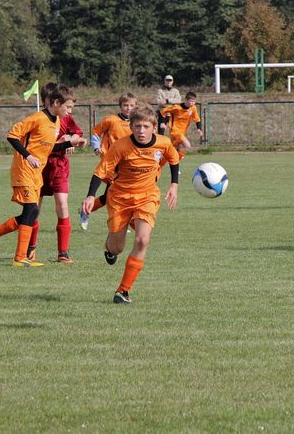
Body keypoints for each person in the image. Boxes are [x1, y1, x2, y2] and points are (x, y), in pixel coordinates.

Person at [0, 84, 84, 267]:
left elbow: (49, 148)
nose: (70, 111)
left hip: (36, 173)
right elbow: (12, 135)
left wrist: (70, 143)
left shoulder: (56, 122)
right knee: (31, 210)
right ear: (56, 103)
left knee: (31, 213)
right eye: (68, 107)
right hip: (24, 169)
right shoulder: (37, 118)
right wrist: (28, 156)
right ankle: (19, 257)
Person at [81, 104, 180, 304]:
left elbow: (174, 159)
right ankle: (109, 247)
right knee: (117, 248)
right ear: (131, 127)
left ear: (154, 127)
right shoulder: (121, 146)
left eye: (145, 127)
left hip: (147, 197)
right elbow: (101, 171)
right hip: (119, 198)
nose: (141, 131)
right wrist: (91, 196)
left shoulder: (163, 143)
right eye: (137, 126)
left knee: (142, 240)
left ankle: (123, 291)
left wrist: (174, 185)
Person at [27, 82, 86, 264]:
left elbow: (77, 133)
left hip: (59, 166)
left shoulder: (65, 117)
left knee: (62, 204)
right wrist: (62, 142)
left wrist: (72, 139)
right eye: (47, 100)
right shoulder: (38, 119)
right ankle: (30, 248)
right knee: (34, 208)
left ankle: (63, 253)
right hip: (39, 167)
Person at [79, 92, 137, 230]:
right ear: (120, 106)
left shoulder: (136, 123)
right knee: (116, 195)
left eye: (131, 105)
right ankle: (120, 222)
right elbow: (95, 132)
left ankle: (86, 209)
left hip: (126, 164)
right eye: (125, 105)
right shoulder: (111, 120)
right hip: (110, 161)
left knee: (109, 196)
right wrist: (96, 147)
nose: (128, 108)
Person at [160, 91, 203, 161]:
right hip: (174, 131)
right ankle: (178, 155)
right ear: (186, 100)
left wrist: (199, 129)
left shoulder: (193, 108)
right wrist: (162, 122)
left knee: (173, 149)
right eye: (191, 101)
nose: (192, 103)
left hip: (183, 132)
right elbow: (164, 111)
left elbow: (197, 119)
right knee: (187, 145)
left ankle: (164, 159)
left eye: (194, 102)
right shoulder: (177, 107)